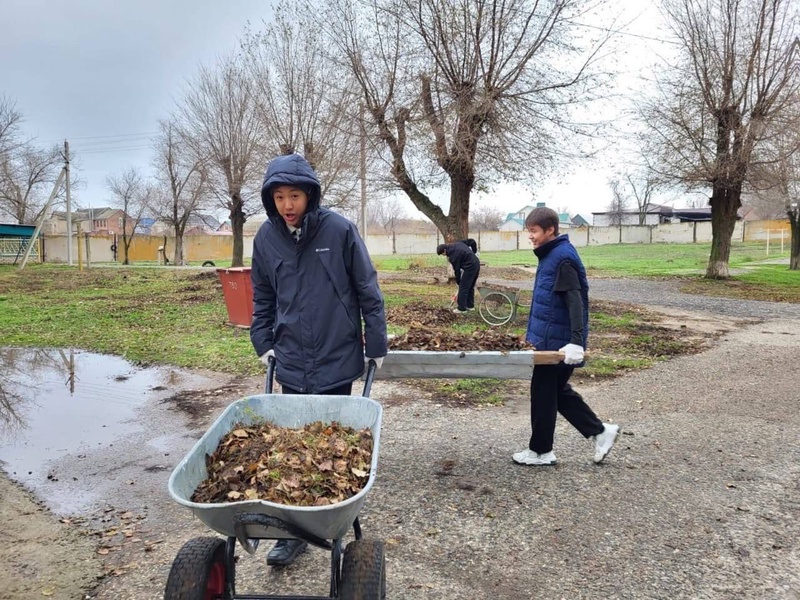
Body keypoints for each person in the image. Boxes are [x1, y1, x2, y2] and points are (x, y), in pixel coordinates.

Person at [250, 153, 388, 566]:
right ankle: (292, 534)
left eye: (295, 195)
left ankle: (330, 519)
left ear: (310, 194)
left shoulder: (339, 230)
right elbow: (262, 297)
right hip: (290, 356)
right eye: (279, 197)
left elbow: (367, 288)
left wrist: (375, 344)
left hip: (335, 353)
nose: (287, 205)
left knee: (331, 441)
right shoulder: (266, 239)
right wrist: (263, 342)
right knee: (292, 444)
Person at [513, 206, 620, 466]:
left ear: (550, 230)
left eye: (534, 231)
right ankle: (600, 432)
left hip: (559, 343)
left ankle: (541, 451)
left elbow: (576, 301)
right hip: (548, 339)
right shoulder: (551, 255)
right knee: (555, 392)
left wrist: (576, 340)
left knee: (544, 393)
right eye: (529, 231)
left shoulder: (563, 258)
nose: (531, 236)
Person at [437, 240, 481, 313]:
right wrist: (474, 252)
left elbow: (457, 270)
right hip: (476, 264)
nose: (444, 255)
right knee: (470, 286)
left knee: (463, 288)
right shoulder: (458, 243)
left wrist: (458, 282)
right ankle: (470, 306)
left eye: (442, 254)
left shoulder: (452, 256)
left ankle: (461, 308)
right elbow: (472, 241)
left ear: (444, 250)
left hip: (470, 267)